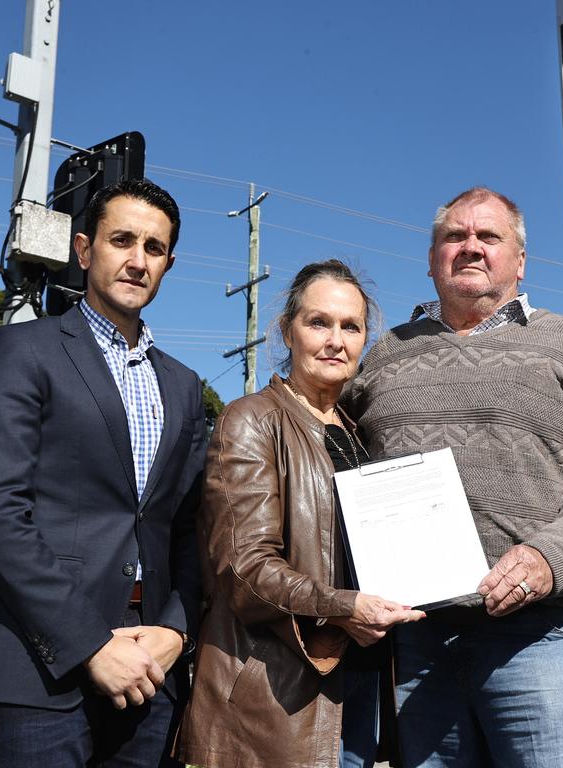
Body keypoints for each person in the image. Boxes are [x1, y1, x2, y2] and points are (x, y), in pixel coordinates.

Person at [346, 187, 563, 767]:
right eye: (454, 236)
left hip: (537, 635)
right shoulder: (380, 356)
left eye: (488, 236)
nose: (470, 247)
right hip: (417, 641)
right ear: (431, 260)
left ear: (520, 261)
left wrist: (546, 560)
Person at [0, 178, 207, 767]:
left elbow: (190, 530)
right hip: (38, 668)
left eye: (154, 248)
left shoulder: (184, 385)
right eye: (122, 239)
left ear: (168, 264)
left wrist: (176, 632)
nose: (137, 259)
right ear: (83, 249)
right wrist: (90, 645)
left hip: (151, 669)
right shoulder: (22, 351)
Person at [176, 260, 424, 768]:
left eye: (350, 326)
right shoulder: (251, 420)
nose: (335, 339)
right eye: (319, 322)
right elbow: (243, 568)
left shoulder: (361, 434)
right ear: (287, 330)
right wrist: (342, 607)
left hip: (362, 680)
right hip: (281, 692)